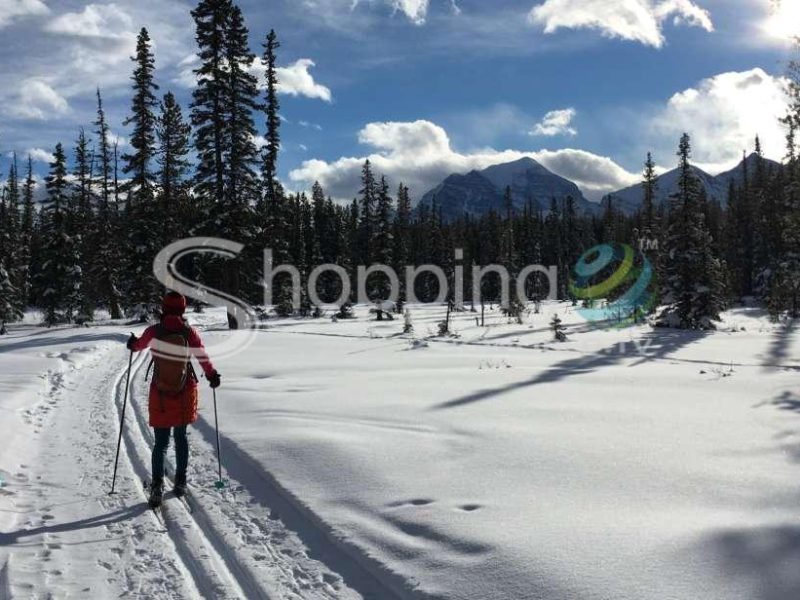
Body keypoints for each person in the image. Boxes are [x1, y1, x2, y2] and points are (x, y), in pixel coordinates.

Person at [127, 292, 221, 508]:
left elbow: (138, 346)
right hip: (185, 392)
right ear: (183, 309)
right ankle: (180, 482)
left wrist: (132, 344)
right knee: (181, 438)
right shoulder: (189, 333)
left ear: (164, 308)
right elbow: (203, 358)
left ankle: (157, 486)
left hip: (160, 393)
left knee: (160, 443)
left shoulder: (154, 331)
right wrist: (212, 375)